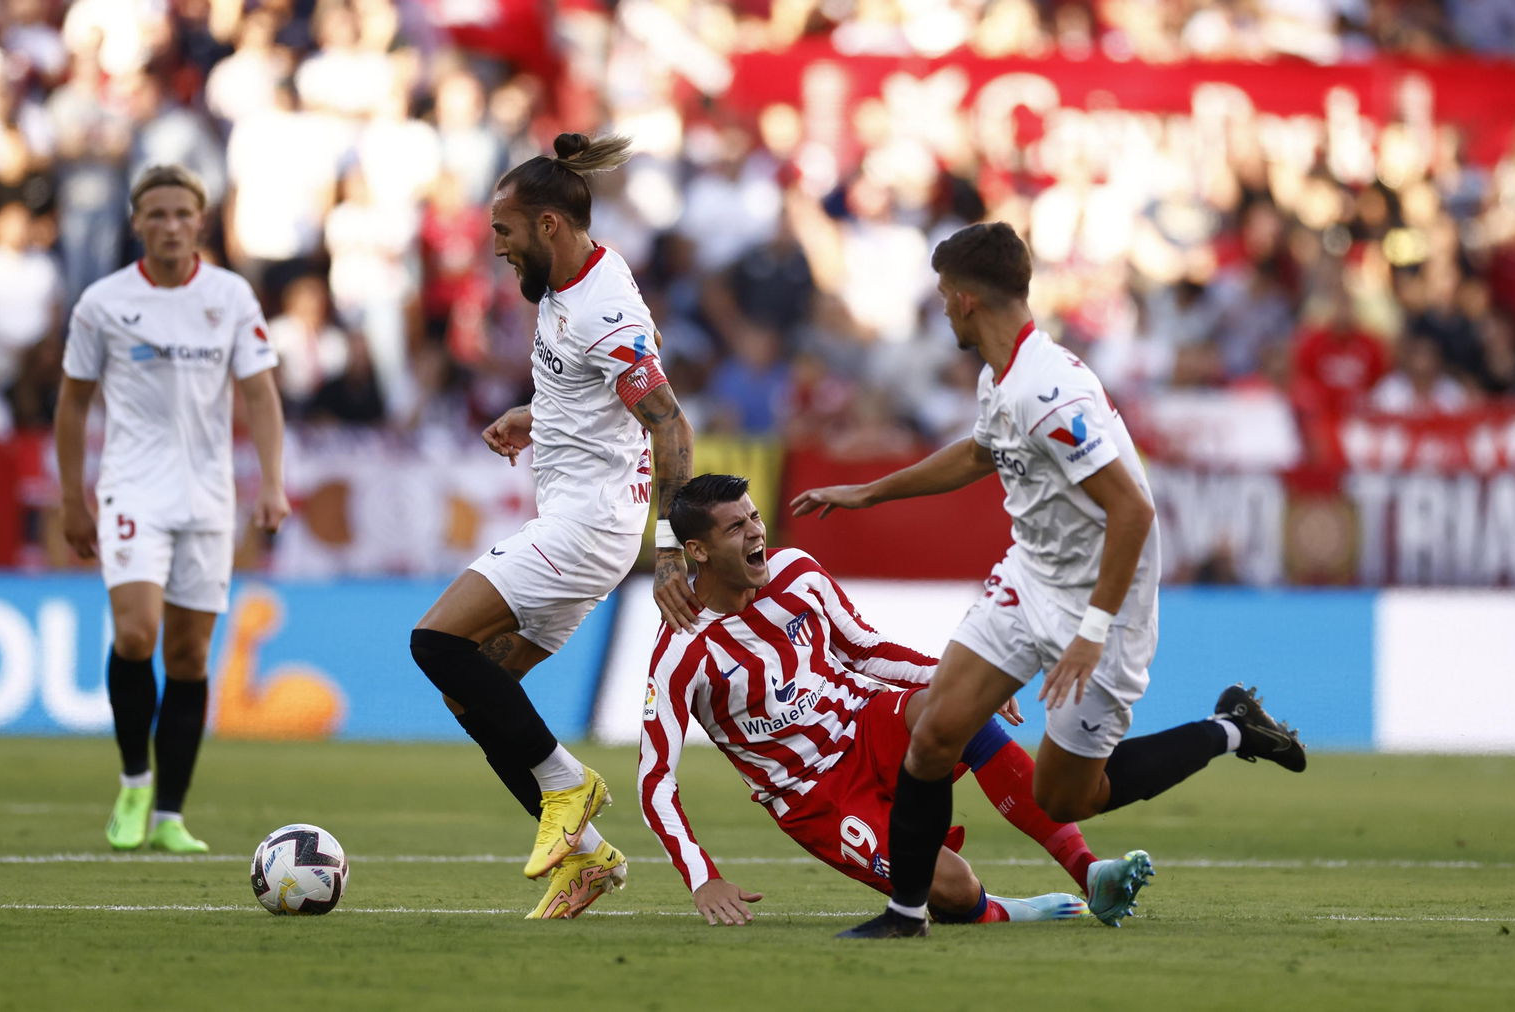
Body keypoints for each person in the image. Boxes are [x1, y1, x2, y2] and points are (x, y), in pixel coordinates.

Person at [791, 223, 1305, 939]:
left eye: (944, 295)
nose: (940, 309)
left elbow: (1132, 509)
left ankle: (1231, 729)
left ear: (968, 300)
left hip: (1106, 603)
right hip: (1030, 576)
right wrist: (870, 492)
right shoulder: (1001, 377)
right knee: (935, 734)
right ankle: (906, 914)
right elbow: (978, 454)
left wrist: (1093, 632)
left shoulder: (1050, 390)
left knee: (1065, 796)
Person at [640, 474, 1160, 931]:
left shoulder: (796, 573)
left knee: (956, 710)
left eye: (755, 517)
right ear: (698, 550)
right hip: (816, 795)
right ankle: (1005, 909)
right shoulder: (682, 652)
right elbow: (655, 778)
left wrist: (961, 680)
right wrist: (701, 877)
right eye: (736, 528)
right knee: (953, 889)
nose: (756, 532)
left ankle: (1089, 870)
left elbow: (865, 650)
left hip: (867, 723)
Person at [408, 133, 701, 920]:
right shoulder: (581, 283)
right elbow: (605, 387)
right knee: (479, 692)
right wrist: (538, 416)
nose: (496, 249)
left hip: (590, 524)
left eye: (503, 232)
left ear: (546, 226)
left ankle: (570, 784)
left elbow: (671, 425)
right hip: (581, 515)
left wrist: (669, 549)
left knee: (434, 643)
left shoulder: (601, 308)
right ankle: (589, 862)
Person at [54, 164, 289, 854]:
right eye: (156, 214)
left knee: (188, 656)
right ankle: (133, 781)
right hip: (131, 488)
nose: (170, 226)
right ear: (137, 223)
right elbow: (71, 402)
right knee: (136, 635)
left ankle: (169, 816)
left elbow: (261, 394)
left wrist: (272, 482)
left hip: (209, 496)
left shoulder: (230, 295)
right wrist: (75, 496)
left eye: (182, 214)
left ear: (201, 222)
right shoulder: (103, 301)